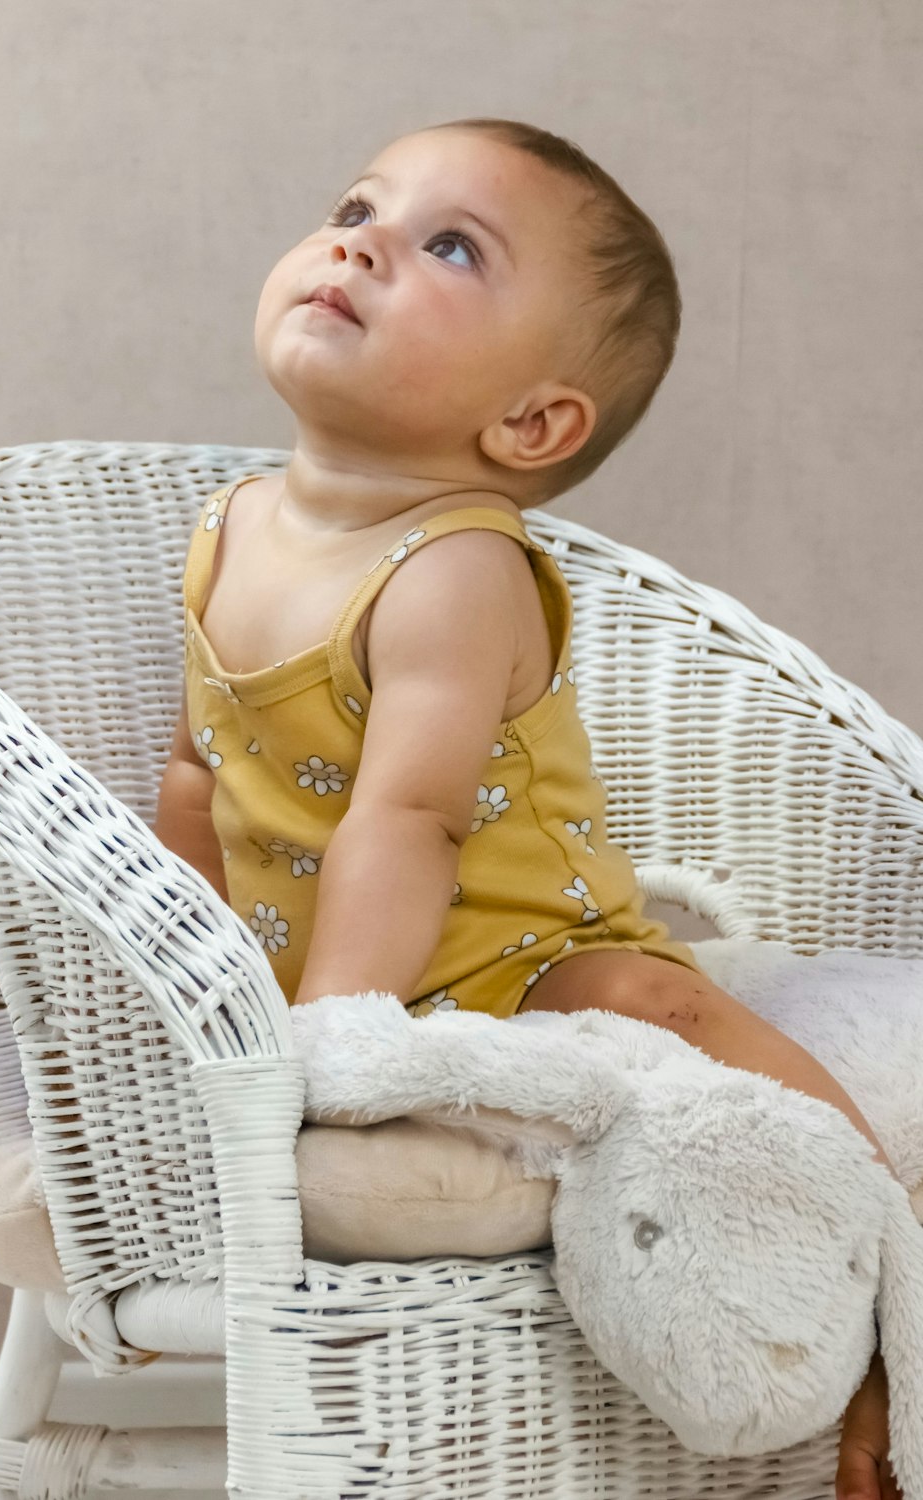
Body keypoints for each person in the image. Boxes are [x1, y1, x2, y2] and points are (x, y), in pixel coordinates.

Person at [153, 117, 900, 1499]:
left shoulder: (455, 565)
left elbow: (411, 820)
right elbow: (198, 780)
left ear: (531, 423)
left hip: (519, 951)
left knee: (650, 997)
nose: (360, 237)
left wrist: (336, 1041)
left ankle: (882, 1218)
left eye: (447, 246)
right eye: (357, 203)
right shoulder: (230, 524)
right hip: (330, 956)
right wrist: (184, 981)